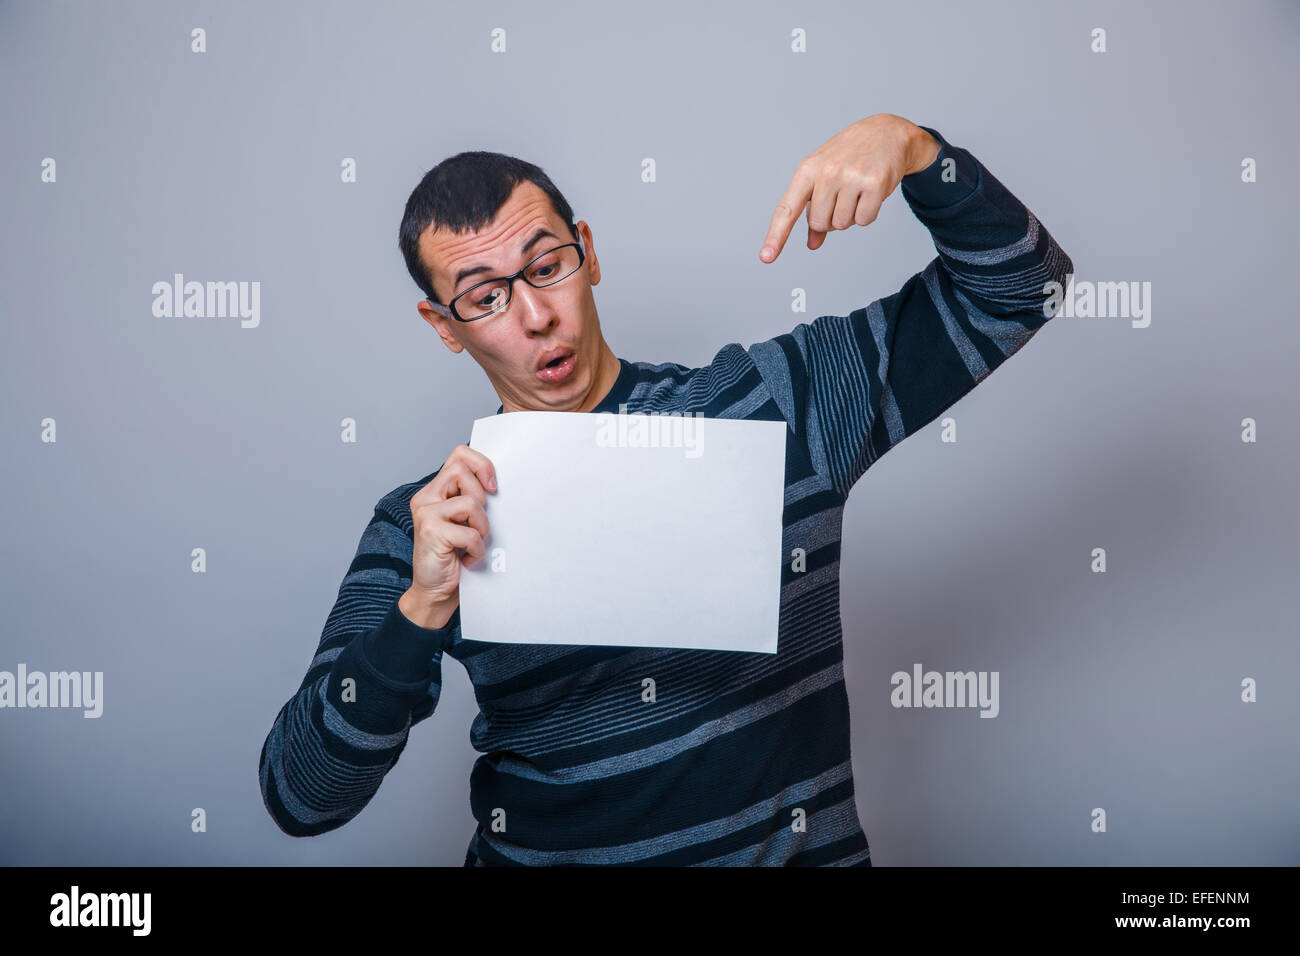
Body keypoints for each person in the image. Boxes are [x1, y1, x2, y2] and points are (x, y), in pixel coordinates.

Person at [258, 113, 1073, 865]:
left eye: (547, 266)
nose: (535, 314)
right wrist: (419, 610)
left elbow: (1022, 288)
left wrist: (915, 148)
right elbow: (301, 797)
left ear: (588, 252)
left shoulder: (771, 405)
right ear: (445, 326)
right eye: (485, 296)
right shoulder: (430, 523)